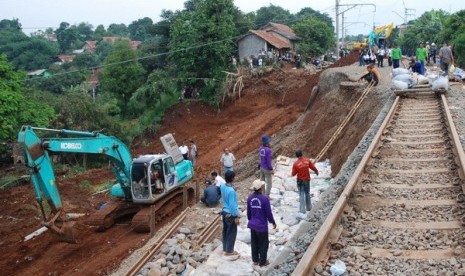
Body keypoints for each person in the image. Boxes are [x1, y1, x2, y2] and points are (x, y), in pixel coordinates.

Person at [247, 179, 276, 267]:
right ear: (261, 188)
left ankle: (255, 260)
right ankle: (262, 262)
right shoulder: (264, 199)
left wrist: (250, 220)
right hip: (262, 226)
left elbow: (249, 212)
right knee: (263, 244)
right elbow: (268, 213)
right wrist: (273, 222)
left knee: (254, 242)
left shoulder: (250, 198)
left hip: (253, 225)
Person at [291, 149, 319, 214]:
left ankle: (302, 210)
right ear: (302, 154)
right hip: (307, 180)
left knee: (301, 194)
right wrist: (316, 171)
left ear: (296, 155)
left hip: (300, 181)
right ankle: (309, 207)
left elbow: (293, 174)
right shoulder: (307, 160)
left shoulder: (295, 164)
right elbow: (313, 167)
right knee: (307, 193)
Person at [220, 170, 240, 256]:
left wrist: (233, 189)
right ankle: (230, 251)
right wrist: (236, 216)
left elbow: (227, 189)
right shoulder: (231, 191)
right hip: (230, 214)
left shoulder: (223, 186)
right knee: (232, 232)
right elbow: (232, 205)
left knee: (225, 231)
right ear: (232, 178)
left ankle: (225, 247)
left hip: (224, 212)